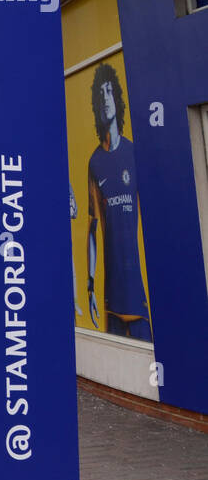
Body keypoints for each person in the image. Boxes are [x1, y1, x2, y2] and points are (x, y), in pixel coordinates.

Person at [86, 63, 152, 342]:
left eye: (109, 92)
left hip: (139, 299)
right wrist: (89, 286)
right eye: (100, 96)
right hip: (111, 301)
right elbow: (91, 228)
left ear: (118, 100)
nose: (105, 100)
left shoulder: (134, 153)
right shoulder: (95, 163)